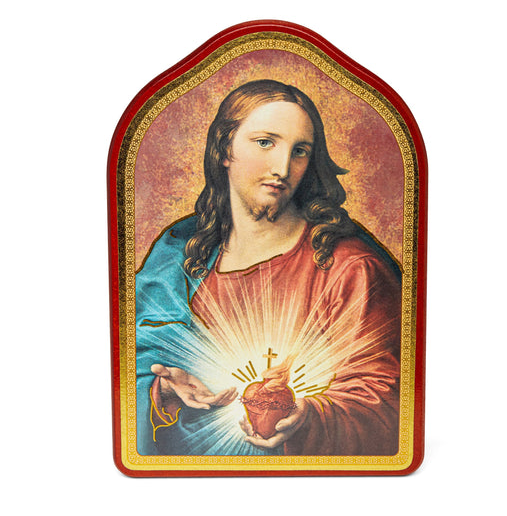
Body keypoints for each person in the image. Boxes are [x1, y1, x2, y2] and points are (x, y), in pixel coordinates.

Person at [135, 80, 401, 456]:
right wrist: (161, 390)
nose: (282, 167)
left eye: (300, 151)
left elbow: (386, 405)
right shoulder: (178, 255)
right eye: (265, 142)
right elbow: (129, 363)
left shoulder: (350, 269)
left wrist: (311, 418)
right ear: (224, 149)